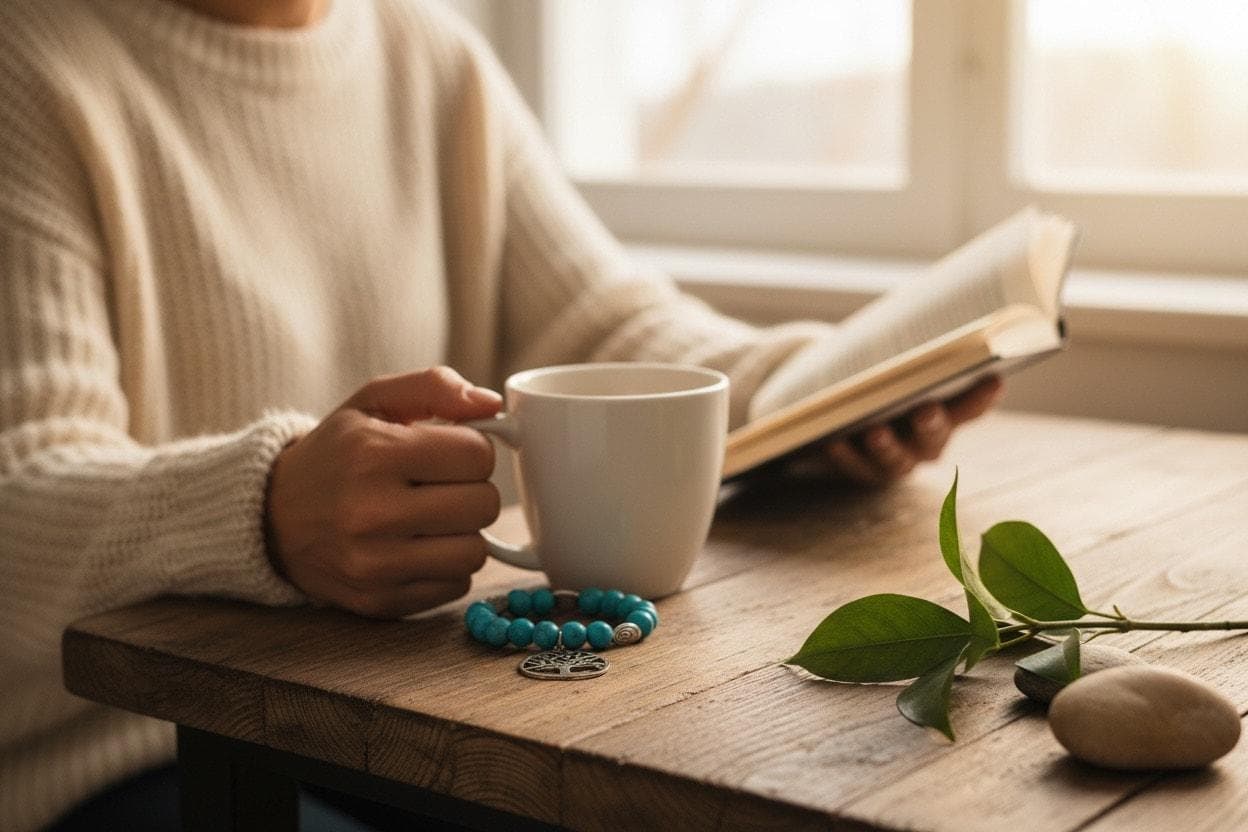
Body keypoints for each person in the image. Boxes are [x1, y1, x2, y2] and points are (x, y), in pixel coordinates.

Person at [0, 0, 1002, 829]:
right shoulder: (28, 62)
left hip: (403, 714)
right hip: (119, 750)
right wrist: (262, 510)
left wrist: (821, 395)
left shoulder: (429, 56)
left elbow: (609, 326)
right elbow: (21, 485)